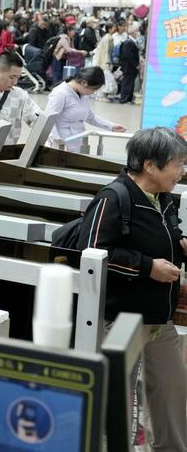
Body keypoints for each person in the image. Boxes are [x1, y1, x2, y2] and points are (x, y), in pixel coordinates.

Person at [74, 127, 186, 452]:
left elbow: (171, 227)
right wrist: (148, 267)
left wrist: (180, 241)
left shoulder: (163, 197)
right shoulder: (113, 198)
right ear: (151, 165)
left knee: (172, 391)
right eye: (178, 164)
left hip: (159, 318)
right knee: (117, 400)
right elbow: (91, 252)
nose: (182, 172)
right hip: (121, 321)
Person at [46, 67, 125, 152]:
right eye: (94, 89)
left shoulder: (83, 94)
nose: (94, 92)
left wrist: (111, 126)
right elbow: (49, 121)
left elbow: (89, 116)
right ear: (84, 83)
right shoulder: (60, 93)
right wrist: (58, 142)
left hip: (76, 142)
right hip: (61, 146)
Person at [116, 29, 140, 104]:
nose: (137, 33)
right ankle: (124, 99)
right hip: (128, 67)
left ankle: (129, 98)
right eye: (136, 31)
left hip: (131, 67)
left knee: (131, 83)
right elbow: (128, 56)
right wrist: (136, 64)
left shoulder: (132, 42)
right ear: (132, 33)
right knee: (127, 83)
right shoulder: (128, 43)